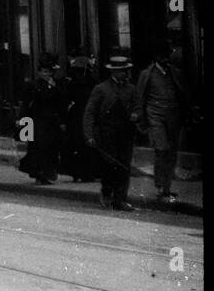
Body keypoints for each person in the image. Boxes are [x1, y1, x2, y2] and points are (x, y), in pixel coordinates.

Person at [83, 48, 138, 211]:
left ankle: (120, 199)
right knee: (109, 165)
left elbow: (138, 106)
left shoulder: (131, 89)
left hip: (126, 133)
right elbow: (90, 112)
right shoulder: (101, 89)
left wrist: (136, 114)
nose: (126, 74)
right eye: (123, 71)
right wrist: (89, 135)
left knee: (124, 166)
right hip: (107, 133)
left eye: (127, 71)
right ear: (114, 71)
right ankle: (107, 192)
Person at [135, 42, 189, 205]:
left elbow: (182, 94)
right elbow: (140, 98)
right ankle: (159, 185)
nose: (166, 58)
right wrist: (140, 118)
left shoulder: (174, 73)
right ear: (156, 57)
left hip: (173, 117)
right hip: (155, 116)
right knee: (161, 149)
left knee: (171, 152)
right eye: (162, 55)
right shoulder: (147, 74)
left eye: (167, 55)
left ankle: (166, 187)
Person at [17, 56, 64, 186]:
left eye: (48, 72)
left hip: (51, 122)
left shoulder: (55, 85)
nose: (46, 74)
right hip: (37, 122)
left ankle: (48, 174)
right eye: (44, 72)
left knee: (51, 149)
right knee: (38, 149)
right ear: (39, 72)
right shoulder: (33, 86)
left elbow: (60, 102)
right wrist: (23, 123)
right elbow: (26, 105)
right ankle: (39, 174)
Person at [60, 49, 98, 182]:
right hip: (79, 113)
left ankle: (80, 172)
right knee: (82, 143)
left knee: (79, 143)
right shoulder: (85, 77)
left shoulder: (72, 77)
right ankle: (85, 172)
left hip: (79, 112)